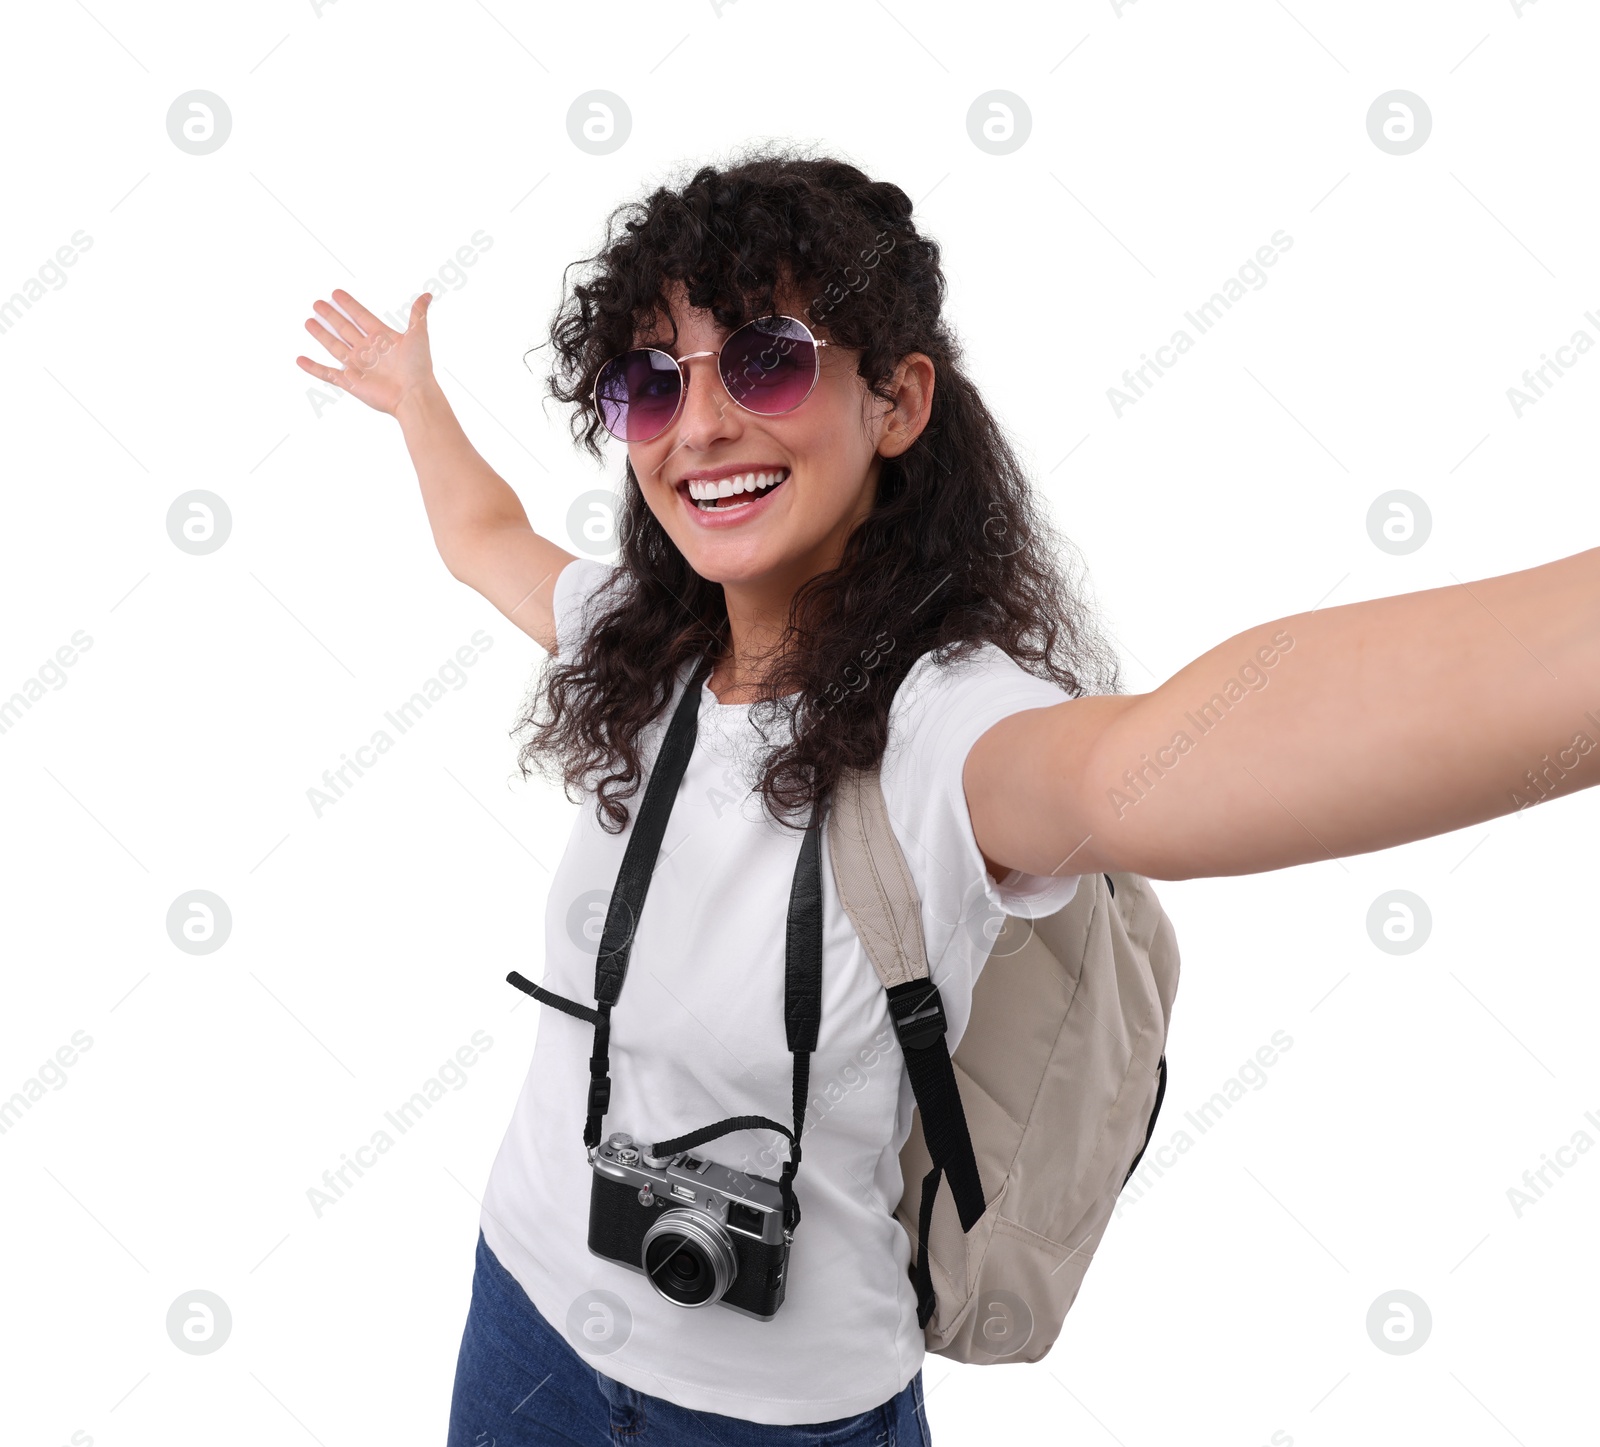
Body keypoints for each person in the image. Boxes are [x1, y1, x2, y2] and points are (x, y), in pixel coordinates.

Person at [296, 149, 1600, 1445]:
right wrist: (416, 399)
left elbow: (1168, 764)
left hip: (780, 1419)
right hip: (528, 1315)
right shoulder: (642, 642)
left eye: (766, 359)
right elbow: (483, 539)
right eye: (649, 383)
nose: (697, 427)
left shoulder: (944, 725)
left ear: (898, 400)